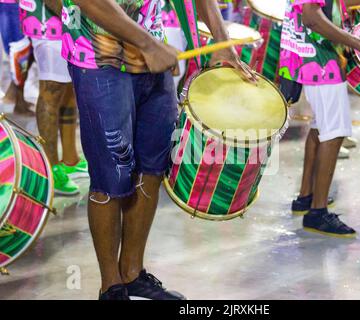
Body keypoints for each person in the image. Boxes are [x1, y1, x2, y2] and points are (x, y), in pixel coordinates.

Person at [45, 0, 254, 300]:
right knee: (111, 176)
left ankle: (132, 272)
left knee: (152, 166)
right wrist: (147, 43)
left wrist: (222, 42)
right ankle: (111, 285)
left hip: (151, 54)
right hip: (98, 59)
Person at [279, 0, 360, 237]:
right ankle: (317, 213)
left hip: (313, 55)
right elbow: (311, 16)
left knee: (321, 126)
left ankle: (306, 196)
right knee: (334, 131)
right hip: (318, 59)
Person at [19, 0, 87, 196]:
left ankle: (69, 159)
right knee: (51, 89)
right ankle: (50, 166)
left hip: (69, 18)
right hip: (48, 21)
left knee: (68, 88)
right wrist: (72, 17)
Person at [0, 0, 34, 115]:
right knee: (20, 52)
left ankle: (15, 96)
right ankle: (19, 103)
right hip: (11, 5)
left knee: (26, 52)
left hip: (20, 6)